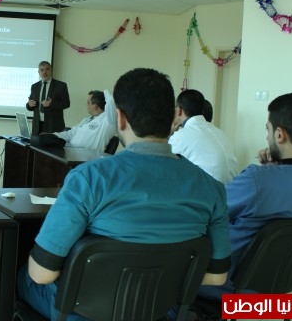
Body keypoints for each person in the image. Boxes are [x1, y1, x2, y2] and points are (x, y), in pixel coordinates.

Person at [17, 68, 231, 321]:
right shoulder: (212, 188)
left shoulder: (88, 178)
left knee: (21, 273)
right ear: (174, 117)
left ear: (120, 118)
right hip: (156, 311)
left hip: (83, 312)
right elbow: (216, 276)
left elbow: (42, 274)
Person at [198, 92, 292, 302]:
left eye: (268, 130)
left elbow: (206, 212)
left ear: (279, 134)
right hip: (283, 299)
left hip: (229, 292)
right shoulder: (264, 179)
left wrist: (268, 173)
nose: (267, 137)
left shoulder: (257, 180)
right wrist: (275, 169)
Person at [169, 89, 239, 184]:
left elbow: (161, 159)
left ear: (179, 110)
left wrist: (169, 134)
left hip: (210, 191)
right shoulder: (219, 132)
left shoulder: (180, 137)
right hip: (232, 190)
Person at [51, 89, 117, 151]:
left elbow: (112, 103)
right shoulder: (87, 120)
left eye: (88, 102)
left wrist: (105, 91)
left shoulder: (107, 121)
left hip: (86, 156)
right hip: (70, 150)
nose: (86, 105)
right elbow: (71, 133)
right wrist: (53, 135)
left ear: (95, 106)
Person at [26, 61, 70, 134]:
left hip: (54, 126)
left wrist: (51, 104)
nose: (44, 72)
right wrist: (29, 105)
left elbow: (66, 103)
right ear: (39, 72)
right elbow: (30, 105)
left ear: (51, 70)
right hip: (37, 126)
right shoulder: (34, 86)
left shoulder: (61, 86)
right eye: (42, 70)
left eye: (47, 69)